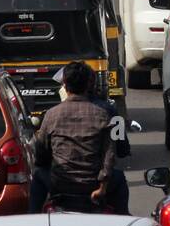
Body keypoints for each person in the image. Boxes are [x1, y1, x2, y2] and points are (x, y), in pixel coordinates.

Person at [30, 61, 122, 214]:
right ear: (88, 85)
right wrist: (102, 187)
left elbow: (41, 152)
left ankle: (32, 221)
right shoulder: (103, 114)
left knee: (39, 176)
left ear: (64, 85)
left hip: (59, 184)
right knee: (120, 179)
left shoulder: (52, 114)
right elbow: (109, 155)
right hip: (93, 185)